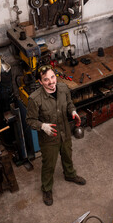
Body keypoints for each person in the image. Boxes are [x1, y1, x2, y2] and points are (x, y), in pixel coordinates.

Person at [26, 65, 86, 206]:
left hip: (65, 132)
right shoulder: (35, 99)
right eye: (46, 80)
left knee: (67, 155)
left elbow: (70, 104)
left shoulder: (63, 89)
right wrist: (42, 126)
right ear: (40, 82)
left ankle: (70, 175)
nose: (51, 82)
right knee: (49, 165)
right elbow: (29, 120)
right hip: (49, 138)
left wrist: (73, 112)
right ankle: (46, 189)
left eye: (52, 77)